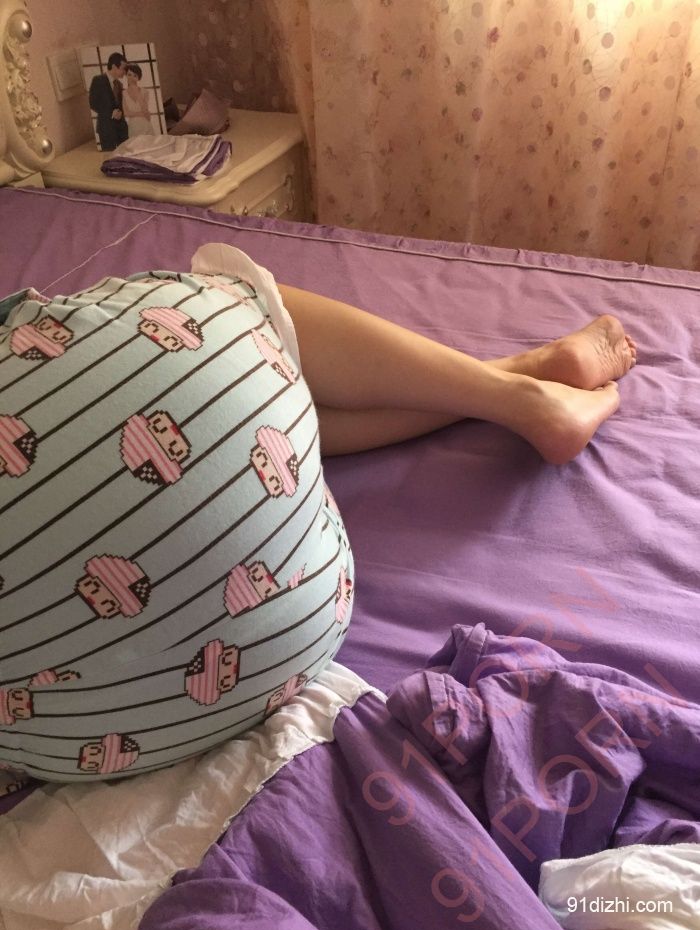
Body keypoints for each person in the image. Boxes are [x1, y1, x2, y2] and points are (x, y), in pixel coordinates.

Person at [0, 243, 635, 786]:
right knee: (234, 346)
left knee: (257, 416)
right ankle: (514, 388)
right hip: (291, 585)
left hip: (98, 726)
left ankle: (525, 381)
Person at [88, 52, 129, 151]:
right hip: (106, 127)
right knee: (108, 155)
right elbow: (92, 103)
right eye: (123, 68)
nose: (124, 72)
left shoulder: (119, 84)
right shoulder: (98, 80)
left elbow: (120, 105)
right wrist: (110, 113)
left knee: (125, 153)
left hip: (121, 128)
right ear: (114, 67)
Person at [121, 63, 153, 137]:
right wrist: (141, 114)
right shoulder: (123, 93)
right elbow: (126, 113)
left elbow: (144, 110)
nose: (131, 78)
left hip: (145, 125)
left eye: (135, 75)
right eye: (129, 75)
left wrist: (137, 92)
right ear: (126, 75)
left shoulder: (145, 92)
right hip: (133, 126)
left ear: (138, 78)